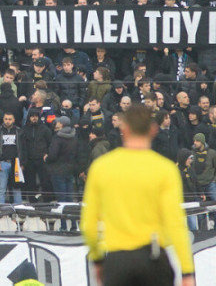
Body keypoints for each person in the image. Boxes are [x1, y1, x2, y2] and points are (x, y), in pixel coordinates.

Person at [81, 104, 195, 286]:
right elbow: (175, 223)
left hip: (117, 260)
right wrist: (188, 272)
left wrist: (97, 261)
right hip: (153, 257)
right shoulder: (165, 169)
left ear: (123, 129)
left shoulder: (102, 167)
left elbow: (89, 224)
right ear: (153, 130)